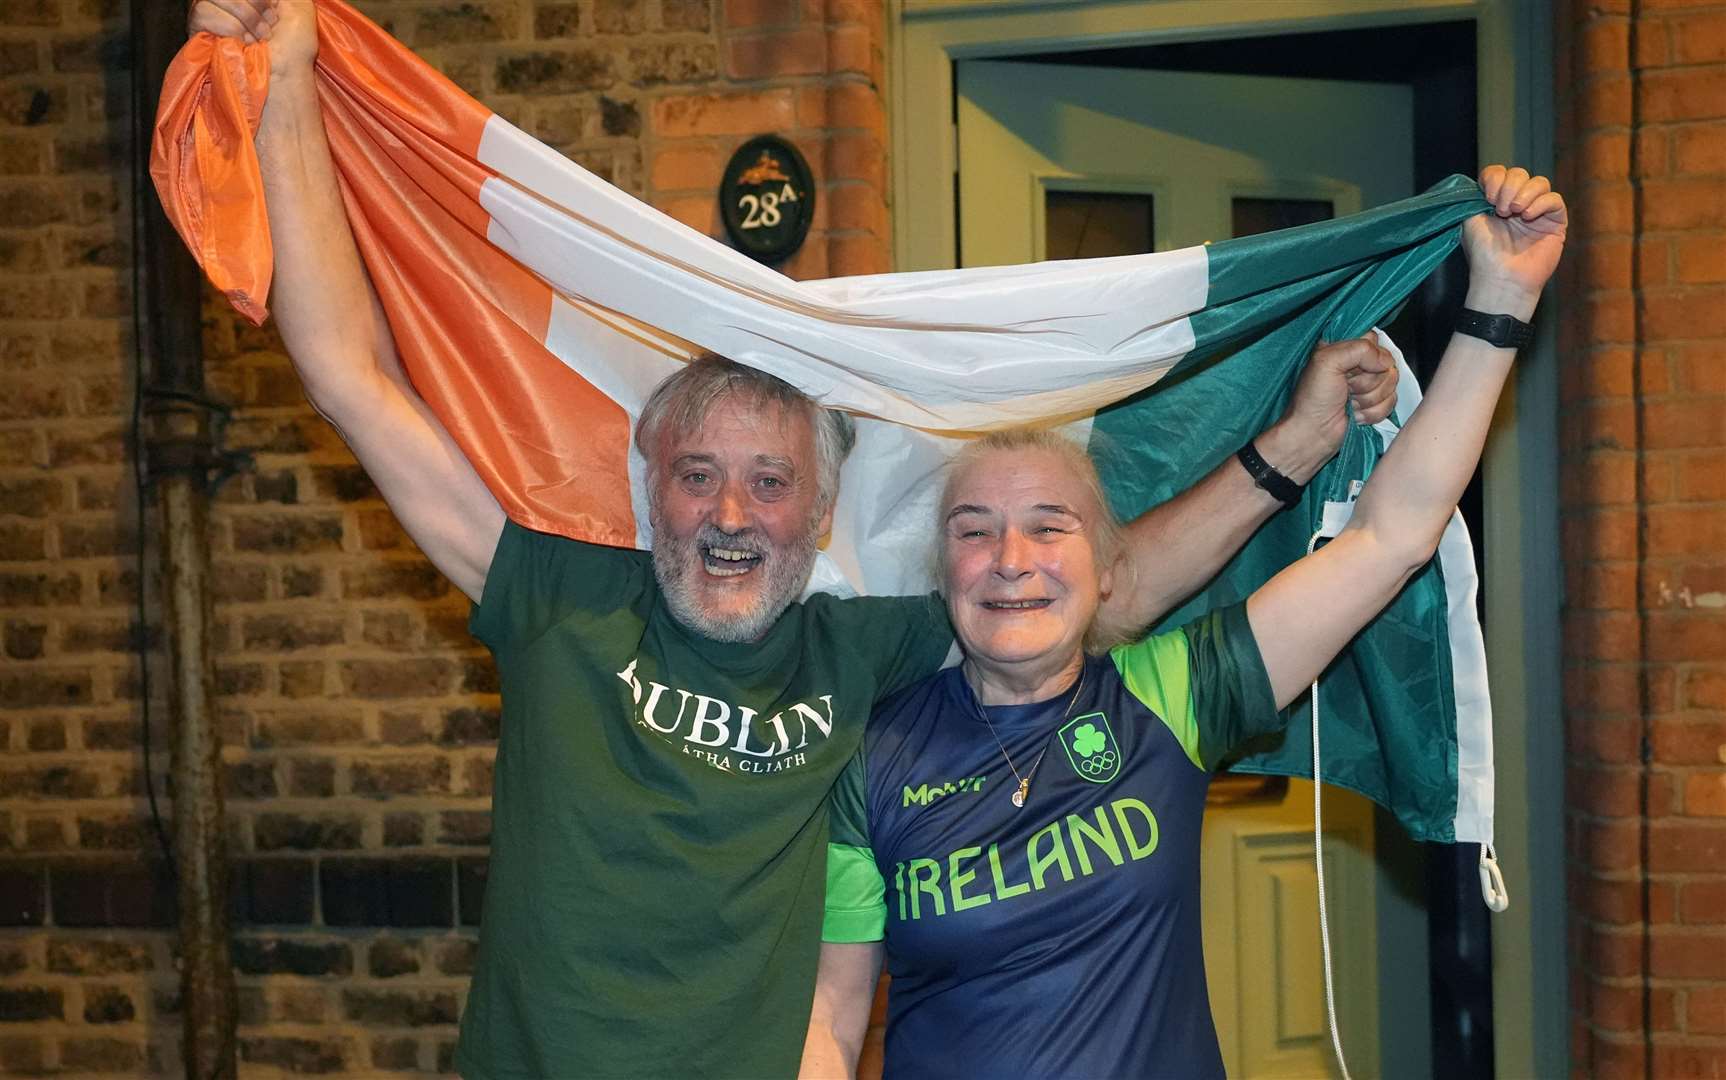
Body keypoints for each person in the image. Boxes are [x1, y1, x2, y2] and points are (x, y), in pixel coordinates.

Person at [185, 2, 1403, 1075]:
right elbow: (351, 376)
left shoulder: (857, 650)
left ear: (817, 517)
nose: (728, 515)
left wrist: (1290, 448)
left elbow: (1112, 583)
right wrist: (287, 76)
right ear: (649, 488)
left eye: (769, 483)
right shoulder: (558, 594)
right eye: (698, 476)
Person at [805, 164, 1566, 1078]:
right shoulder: (873, 753)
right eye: (977, 532)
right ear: (944, 571)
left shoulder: (1167, 692)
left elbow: (1391, 537)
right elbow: (833, 1018)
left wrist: (1501, 301)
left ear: (1104, 570)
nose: (1013, 559)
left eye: (1051, 527)